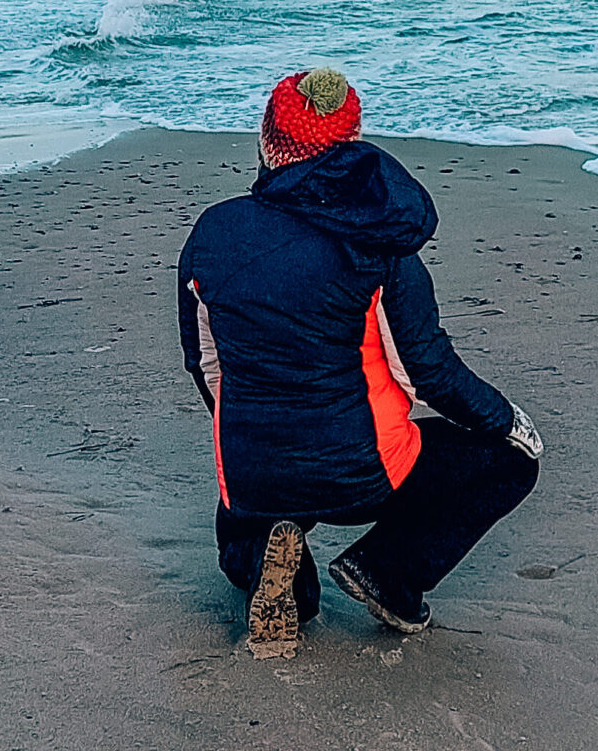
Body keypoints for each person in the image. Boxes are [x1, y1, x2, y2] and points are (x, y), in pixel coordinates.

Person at [176, 67, 543, 660]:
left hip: (254, 471)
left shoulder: (211, 234)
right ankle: (389, 576)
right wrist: (507, 420)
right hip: (364, 471)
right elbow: (426, 372)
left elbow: (206, 366)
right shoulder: (379, 243)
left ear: (266, 140)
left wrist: (264, 427)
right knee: (510, 461)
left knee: (246, 525)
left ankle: (273, 562)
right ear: (351, 142)